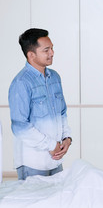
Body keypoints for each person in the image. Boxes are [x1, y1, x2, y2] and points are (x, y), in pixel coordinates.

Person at [8, 28, 72, 180]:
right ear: (31, 55)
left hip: (55, 161)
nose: (52, 53)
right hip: (32, 163)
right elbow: (20, 126)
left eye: (52, 48)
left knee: (58, 203)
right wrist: (51, 145)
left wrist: (67, 138)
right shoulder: (21, 83)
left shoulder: (54, 77)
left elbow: (62, 113)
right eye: (46, 50)